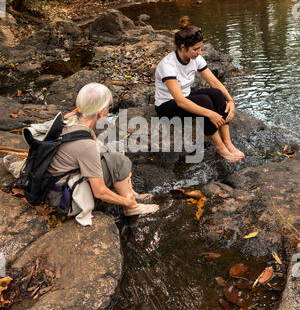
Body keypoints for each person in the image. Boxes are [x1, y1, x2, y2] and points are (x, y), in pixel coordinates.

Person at [47, 82, 159, 224]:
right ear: (101, 112)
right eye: (108, 108)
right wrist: (126, 202)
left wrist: (113, 151)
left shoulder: (72, 117)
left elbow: (94, 140)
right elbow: (99, 192)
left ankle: (130, 192)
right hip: (65, 199)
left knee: (117, 148)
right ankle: (132, 206)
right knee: (119, 161)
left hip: (56, 183)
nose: (109, 112)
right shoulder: (87, 147)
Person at [155, 16, 245, 162]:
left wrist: (230, 100)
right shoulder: (168, 66)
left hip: (186, 97)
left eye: (200, 48)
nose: (200, 52)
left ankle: (228, 142)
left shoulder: (195, 58)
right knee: (204, 101)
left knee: (216, 94)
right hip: (167, 107)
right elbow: (180, 102)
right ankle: (220, 147)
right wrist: (211, 114)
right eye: (196, 49)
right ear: (183, 47)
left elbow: (214, 82)